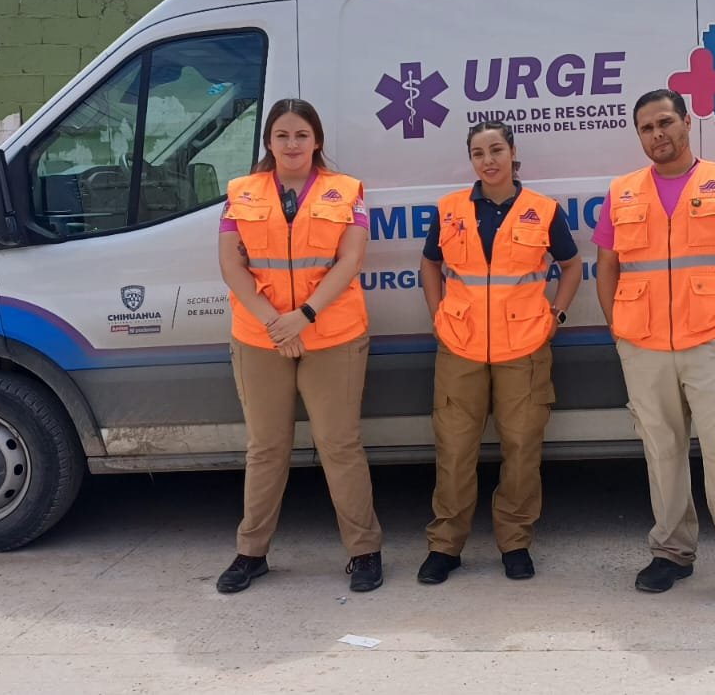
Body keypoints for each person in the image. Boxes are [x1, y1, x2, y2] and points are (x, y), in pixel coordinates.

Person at [592, 89, 715, 612]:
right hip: (644, 346)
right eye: (646, 128)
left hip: (712, 343)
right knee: (663, 454)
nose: (657, 134)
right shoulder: (622, 192)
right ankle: (672, 554)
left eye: (665, 122)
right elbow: (606, 267)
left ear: (687, 122)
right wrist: (620, 331)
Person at [214, 98, 384, 595]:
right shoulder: (240, 192)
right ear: (268, 141)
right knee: (266, 448)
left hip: (332, 334)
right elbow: (231, 266)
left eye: (301, 135)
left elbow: (350, 260)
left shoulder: (346, 191)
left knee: (340, 445)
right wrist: (276, 324)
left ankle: (365, 551)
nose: (292, 144)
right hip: (261, 337)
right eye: (282, 135)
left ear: (317, 140)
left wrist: (302, 317)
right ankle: (251, 553)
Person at [416, 120, 583, 583]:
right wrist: (437, 314)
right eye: (478, 153)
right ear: (470, 159)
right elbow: (429, 263)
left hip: (524, 347)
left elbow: (571, 266)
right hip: (460, 345)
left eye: (495, 150)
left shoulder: (542, 210)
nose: (488, 161)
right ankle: (445, 545)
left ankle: (515, 542)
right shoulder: (450, 210)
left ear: (512, 152)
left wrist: (556, 315)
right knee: (454, 449)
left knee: (522, 447)